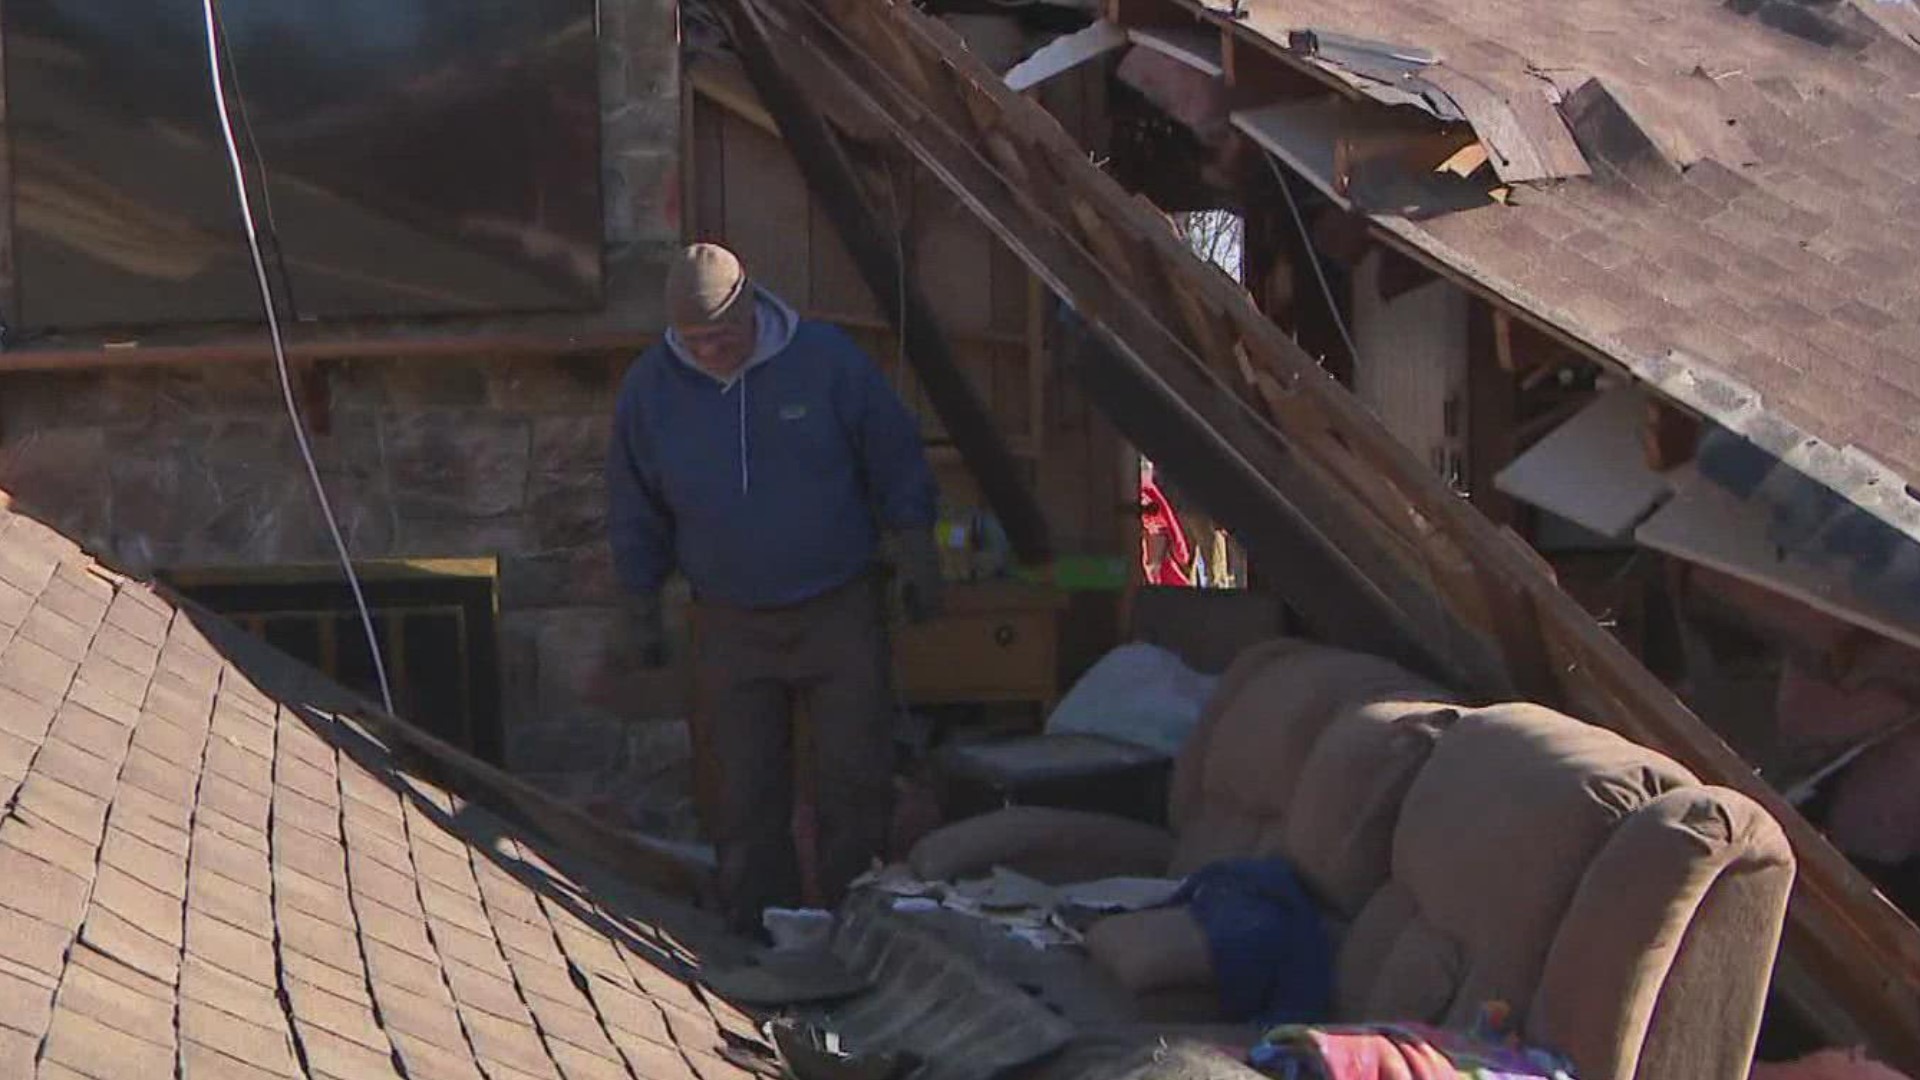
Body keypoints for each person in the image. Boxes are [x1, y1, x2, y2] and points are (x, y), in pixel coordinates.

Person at [606, 243, 944, 935]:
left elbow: (894, 453)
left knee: (855, 778)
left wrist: (916, 551)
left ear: (752, 306)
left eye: (723, 335)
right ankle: (763, 932)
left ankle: (858, 926)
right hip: (729, 620)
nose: (710, 351)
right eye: (694, 340)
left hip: (838, 606)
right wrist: (639, 602)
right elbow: (633, 501)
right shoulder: (651, 389)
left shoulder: (827, 362)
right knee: (742, 790)